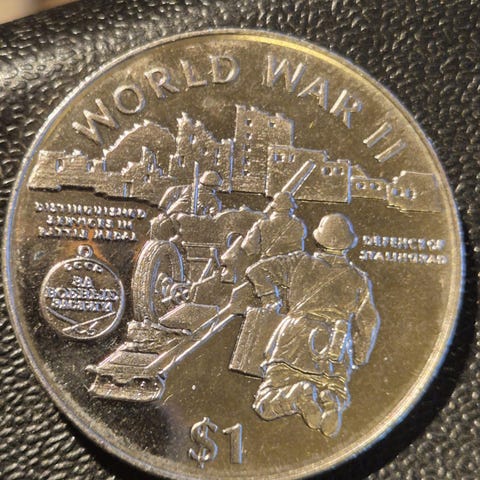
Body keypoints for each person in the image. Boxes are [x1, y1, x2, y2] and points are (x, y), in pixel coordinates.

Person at [245, 213, 380, 437]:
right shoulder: (359, 278)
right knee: (335, 386)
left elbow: (256, 270)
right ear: (347, 243)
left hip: (295, 336)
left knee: (266, 401)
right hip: (336, 342)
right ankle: (332, 401)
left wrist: (269, 297)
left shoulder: (298, 261)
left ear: (319, 239)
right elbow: (368, 322)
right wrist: (359, 356)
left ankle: (298, 395)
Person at [241, 191, 306, 259]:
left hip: (267, 263)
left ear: (274, 207)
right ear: (290, 208)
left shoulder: (261, 224)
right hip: (289, 264)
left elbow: (248, 247)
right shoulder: (298, 225)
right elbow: (299, 250)